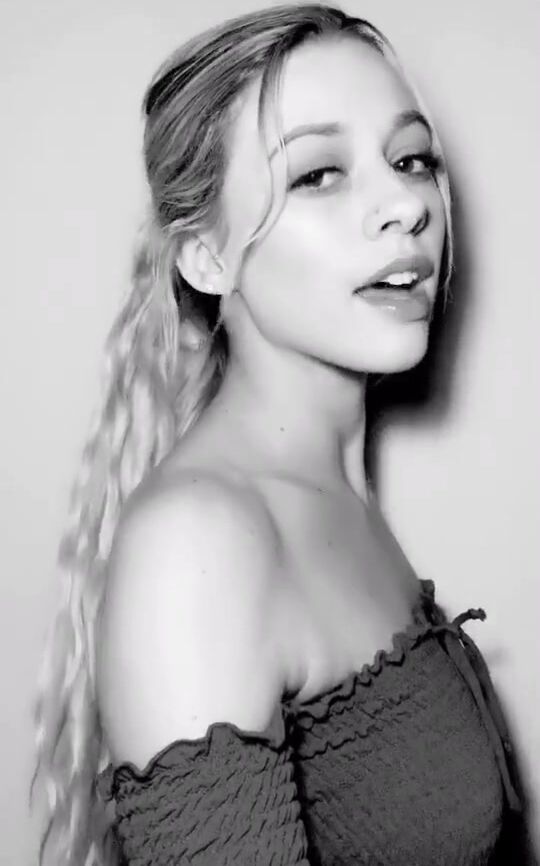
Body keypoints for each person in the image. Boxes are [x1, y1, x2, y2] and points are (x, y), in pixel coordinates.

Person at [29, 4, 528, 865]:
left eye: (410, 159)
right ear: (206, 257)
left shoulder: (333, 493)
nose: (405, 205)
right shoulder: (200, 542)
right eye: (318, 174)